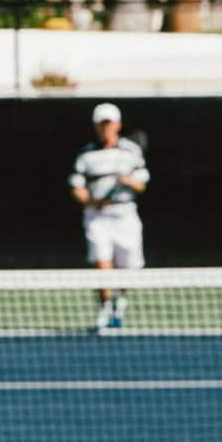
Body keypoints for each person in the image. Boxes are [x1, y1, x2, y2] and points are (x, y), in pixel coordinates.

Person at [67, 101, 149, 333]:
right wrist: (92, 201)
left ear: (118, 125)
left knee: (128, 267)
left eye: (109, 123)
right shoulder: (86, 154)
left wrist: (128, 181)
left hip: (125, 216)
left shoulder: (131, 151)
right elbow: (77, 187)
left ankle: (118, 305)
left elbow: (142, 184)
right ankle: (104, 309)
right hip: (97, 217)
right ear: (95, 126)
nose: (106, 128)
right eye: (101, 124)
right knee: (102, 264)